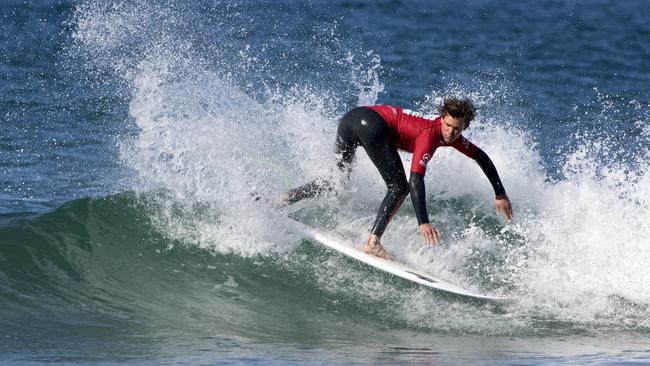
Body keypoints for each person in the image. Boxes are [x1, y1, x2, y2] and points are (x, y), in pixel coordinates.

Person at [277, 98, 513, 259]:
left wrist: (500, 192)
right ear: (442, 118)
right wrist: (423, 222)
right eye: (448, 125)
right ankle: (373, 243)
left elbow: (480, 156)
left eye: (457, 128)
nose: (451, 132)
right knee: (399, 186)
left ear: (464, 127)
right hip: (369, 123)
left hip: (352, 118)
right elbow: (415, 181)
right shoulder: (429, 135)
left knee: (335, 183)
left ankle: (282, 199)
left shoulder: (451, 137)